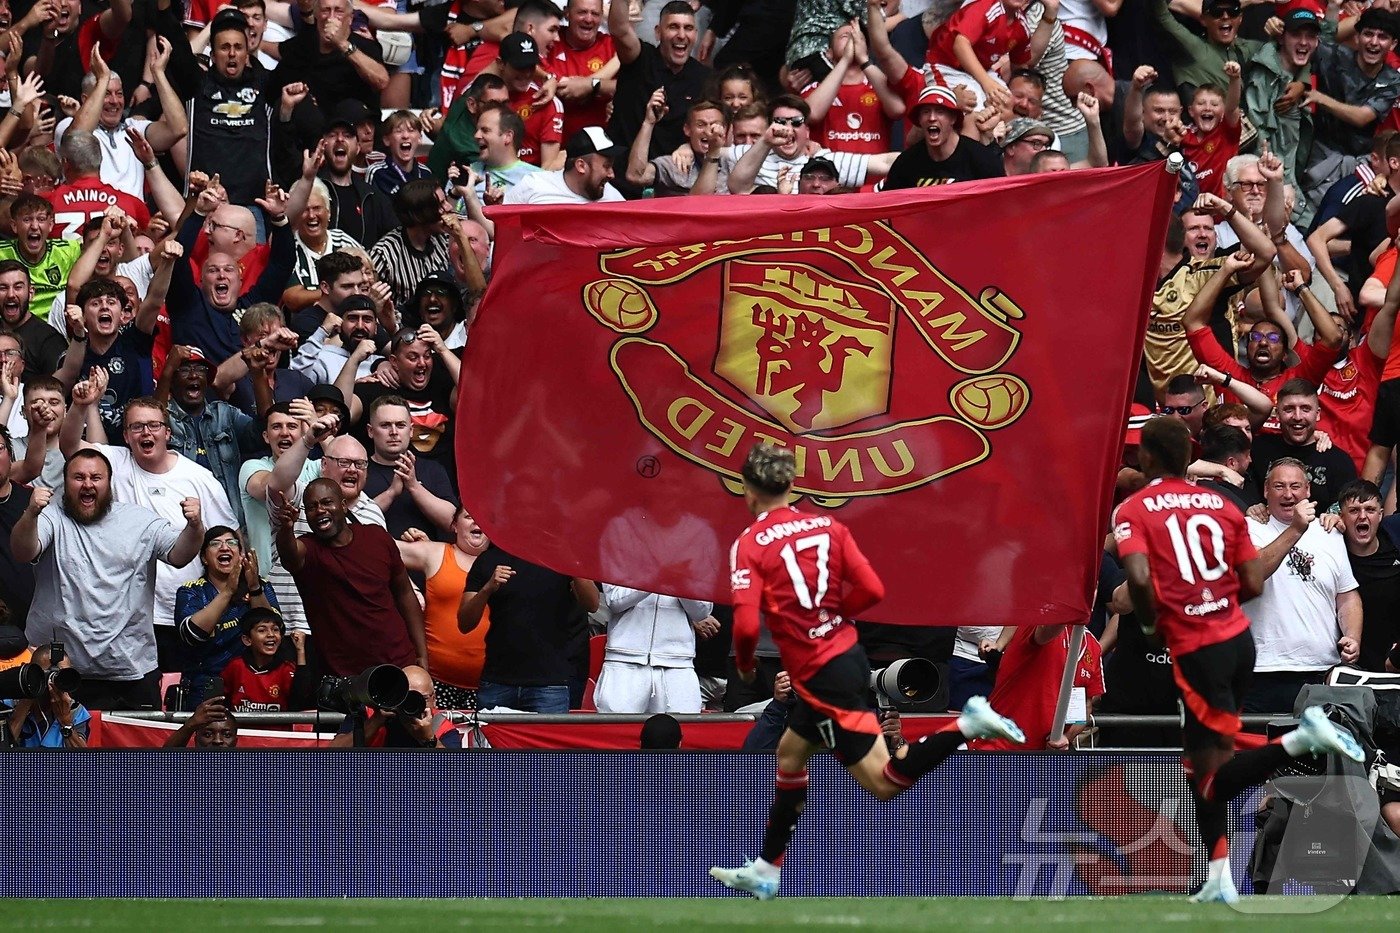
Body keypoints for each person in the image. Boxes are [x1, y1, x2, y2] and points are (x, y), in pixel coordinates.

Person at [709, 443, 1024, 900]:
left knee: (883, 782)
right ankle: (766, 868)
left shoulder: (750, 543)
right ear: (792, 485)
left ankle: (966, 724)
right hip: (844, 657)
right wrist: (833, 618)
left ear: (747, 490)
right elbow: (873, 589)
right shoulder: (830, 527)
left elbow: (743, 624)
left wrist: (744, 664)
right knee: (791, 754)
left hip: (821, 674)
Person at [1114, 416, 1364, 904]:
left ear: (1146, 457)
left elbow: (1139, 581)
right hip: (1237, 642)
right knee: (1202, 769)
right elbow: (1252, 582)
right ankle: (1219, 878)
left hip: (1197, 646)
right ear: (1189, 457)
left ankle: (1299, 741)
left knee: (1209, 772)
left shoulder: (1137, 508)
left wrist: (1150, 623)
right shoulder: (1223, 505)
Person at [13, 449, 205, 709]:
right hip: (59, 670)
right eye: (78, 477)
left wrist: (195, 527)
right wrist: (31, 513)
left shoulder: (139, 520)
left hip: (130, 671)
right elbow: (23, 551)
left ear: (109, 482)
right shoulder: (50, 517)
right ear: (65, 482)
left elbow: (179, 554)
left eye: (96, 477)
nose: (88, 484)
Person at [273, 477, 427, 677]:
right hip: (344, 675)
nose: (320, 510)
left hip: (398, 661)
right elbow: (289, 553)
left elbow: (405, 593)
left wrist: (422, 653)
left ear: (343, 506)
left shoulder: (377, 537)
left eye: (327, 502)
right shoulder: (308, 549)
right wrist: (285, 527)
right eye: (311, 507)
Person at [1242, 458, 1362, 713]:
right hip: (1263, 671)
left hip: (1322, 671)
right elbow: (1255, 572)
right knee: (1261, 751)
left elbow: (1347, 595)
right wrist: (1296, 528)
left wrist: (1352, 636)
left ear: (1308, 490)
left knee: (1318, 752)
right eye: (1279, 486)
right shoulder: (1248, 528)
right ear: (1265, 490)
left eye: (1295, 486)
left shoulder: (1329, 532)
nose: (1288, 494)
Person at [459, 543, 600, 713]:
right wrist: (487, 589)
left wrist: (572, 562)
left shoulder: (562, 556)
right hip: (497, 680)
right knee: (487, 740)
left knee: (548, 740)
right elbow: (465, 623)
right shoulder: (489, 559)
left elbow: (592, 604)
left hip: (550, 683)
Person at [175, 525, 280, 707]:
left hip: (256, 687)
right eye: (215, 544)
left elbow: (273, 633)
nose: (224, 547)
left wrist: (254, 587)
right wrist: (228, 592)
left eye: (232, 543)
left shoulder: (261, 586)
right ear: (204, 558)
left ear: (241, 555)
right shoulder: (191, 591)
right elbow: (191, 634)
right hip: (206, 688)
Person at [397, 509, 489, 709]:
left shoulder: (505, 561)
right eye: (469, 516)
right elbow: (379, 547)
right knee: (436, 738)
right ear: (454, 525)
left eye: (483, 517)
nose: (477, 522)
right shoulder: (435, 552)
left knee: (486, 741)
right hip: (437, 682)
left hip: (491, 688)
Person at [595, 585, 717, 714]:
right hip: (624, 660)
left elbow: (702, 612)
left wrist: (678, 577)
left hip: (678, 662)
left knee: (682, 729)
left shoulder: (693, 564)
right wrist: (656, 576)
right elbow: (614, 601)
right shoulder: (622, 563)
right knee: (616, 729)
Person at [881, 86, 1004, 189]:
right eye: (926, 112)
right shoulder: (906, 163)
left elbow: (1000, 203)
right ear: (919, 120)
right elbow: (888, 206)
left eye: (940, 111)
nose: (932, 118)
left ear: (953, 118)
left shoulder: (982, 159)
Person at [1336, 479, 1400, 672]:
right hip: (1350, 664)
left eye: (1370, 510)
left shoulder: (1394, 540)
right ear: (1341, 516)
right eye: (1354, 510)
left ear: (1380, 515)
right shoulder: (1332, 549)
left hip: (1394, 662)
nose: (1362, 516)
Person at [327, 664, 462, 747]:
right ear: (396, 694)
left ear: (434, 698)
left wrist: (429, 739)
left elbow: (455, 775)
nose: (413, 703)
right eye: (407, 697)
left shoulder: (440, 725)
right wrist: (374, 723)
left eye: (423, 698)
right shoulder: (370, 714)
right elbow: (332, 756)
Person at [220, 607, 312, 711]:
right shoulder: (235, 666)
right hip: (241, 727)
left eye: (275, 629)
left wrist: (300, 650)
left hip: (276, 728)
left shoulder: (286, 669)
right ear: (247, 640)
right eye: (262, 630)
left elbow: (300, 701)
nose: (271, 635)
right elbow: (221, 703)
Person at [505, 127, 626, 204]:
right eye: (606, 166)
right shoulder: (534, 186)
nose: (612, 174)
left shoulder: (612, 197)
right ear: (581, 166)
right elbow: (498, 228)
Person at [3, 642, 89, 747]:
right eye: (46, 674)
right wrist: (26, 697)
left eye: (63, 675)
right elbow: (3, 750)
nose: (55, 682)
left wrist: (66, 722)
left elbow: (82, 760)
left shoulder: (75, 710)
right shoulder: (8, 706)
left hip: (57, 763)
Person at [163, 695, 239, 747]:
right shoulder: (186, 767)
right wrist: (189, 726)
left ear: (235, 741)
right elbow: (163, 760)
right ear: (196, 740)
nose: (217, 741)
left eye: (227, 735)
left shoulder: (245, 768)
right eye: (208, 735)